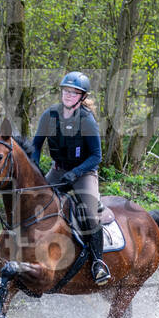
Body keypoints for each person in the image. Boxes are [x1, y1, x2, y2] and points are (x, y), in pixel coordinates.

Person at [31, 71, 111, 286]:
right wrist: (34, 168)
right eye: (66, 91)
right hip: (58, 170)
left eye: (74, 92)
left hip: (84, 173)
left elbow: (96, 156)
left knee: (90, 215)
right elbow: (36, 146)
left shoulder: (87, 120)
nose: (68, 95)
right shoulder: (49, 115)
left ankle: (98, 263)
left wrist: (75, 173)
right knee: (33, 203)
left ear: (82, 97)